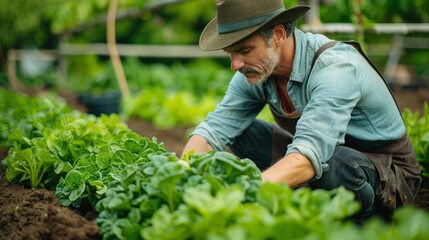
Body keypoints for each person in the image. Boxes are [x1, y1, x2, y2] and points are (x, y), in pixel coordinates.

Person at [181, 0, 421, 222]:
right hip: (322, 159)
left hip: (388, 176)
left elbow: (309, 156)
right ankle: (301, 196)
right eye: (230, 53)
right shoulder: (258, 71)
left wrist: (242, 194)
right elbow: (215, 127)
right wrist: (179, 172)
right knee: (243, 131)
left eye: (244, 50)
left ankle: (364, 223)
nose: (236, 64)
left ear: (277, 35)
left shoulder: (334, 69)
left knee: (336, 163)